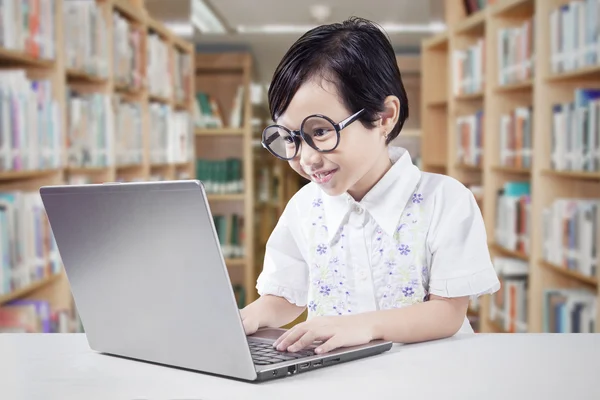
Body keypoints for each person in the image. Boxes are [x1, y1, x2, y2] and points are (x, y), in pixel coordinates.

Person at [240, 17, 500, 355]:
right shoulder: (303, 209)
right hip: (337, 379)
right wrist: (245, 318)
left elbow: (447, 313)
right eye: (290, 138)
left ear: (384, 116)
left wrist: (365, 325)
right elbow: (284, 297)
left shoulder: (445, 201)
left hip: (429, 377)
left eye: (319, 132)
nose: (305, 159)